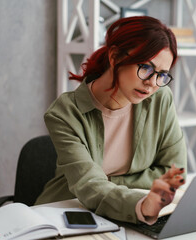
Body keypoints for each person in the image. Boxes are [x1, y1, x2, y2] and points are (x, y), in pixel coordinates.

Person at [35, 16, 187, 225]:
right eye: (146, 68)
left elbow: (174, 170)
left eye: (162, 74)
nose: (152, 83)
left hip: (128, 211)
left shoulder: (160, 99)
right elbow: (88, 184)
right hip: (69, 213)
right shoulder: (64, 113)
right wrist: (140, 203)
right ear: (115, 56)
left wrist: (114, 184)